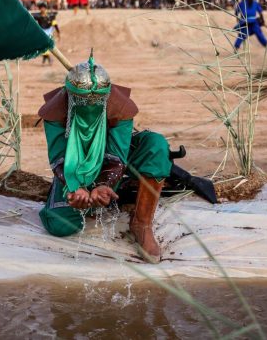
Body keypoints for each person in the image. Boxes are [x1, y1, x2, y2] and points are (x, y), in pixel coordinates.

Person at [37, 55, 173, 263]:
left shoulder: (119, 107)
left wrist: (103, 184)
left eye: (96, 102)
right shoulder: (55, 113)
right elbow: (59, 157)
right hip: (74, 167)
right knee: (59, 224)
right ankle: (89, 203)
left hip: (111, 160)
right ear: (71, 96)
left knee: (156, 145)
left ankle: (142, 223)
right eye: (83, 102)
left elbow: (116, 155)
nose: (90, 108)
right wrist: (75, 187)